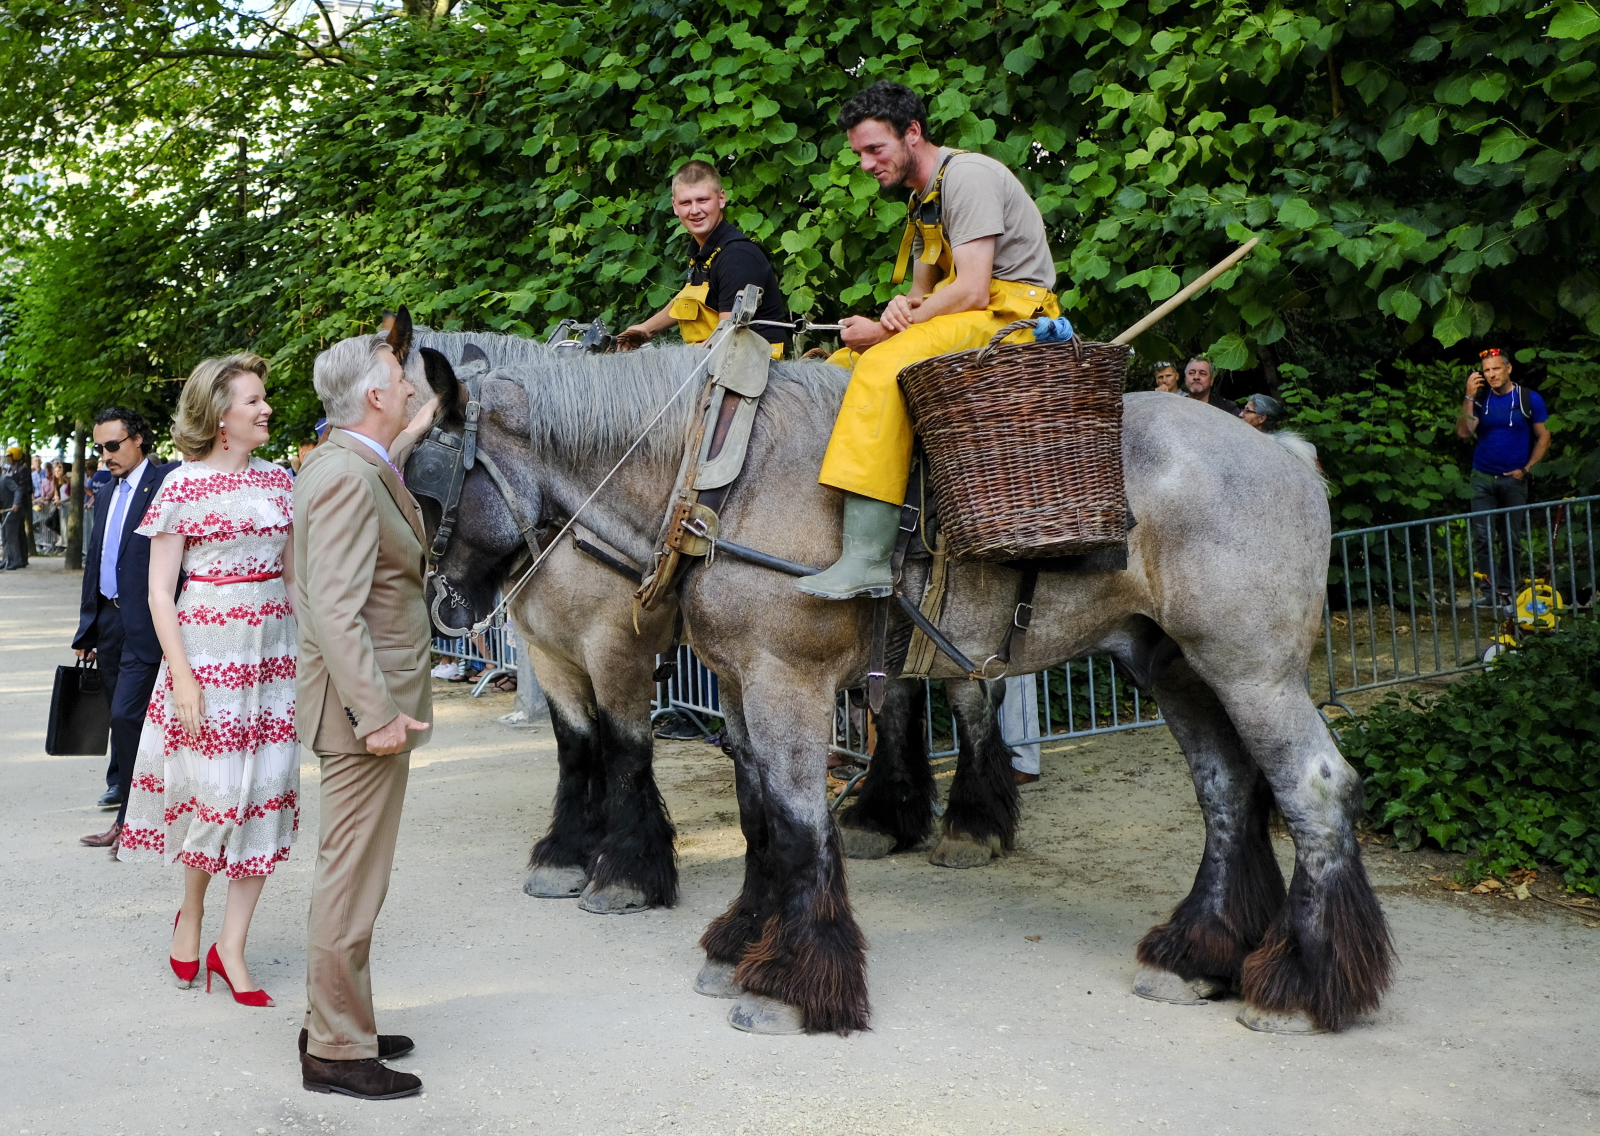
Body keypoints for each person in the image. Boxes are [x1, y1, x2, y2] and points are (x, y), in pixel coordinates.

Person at [801, 81, 1060, 599]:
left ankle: (869, 558)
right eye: (858, 154)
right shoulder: (925, 197)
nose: (866, 164)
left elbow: (971, 288)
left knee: (882, 368)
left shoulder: (967, 177)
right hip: (970, 312)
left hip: (1011, 318)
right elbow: (920, 298)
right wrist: (875, 331)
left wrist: (886, 334)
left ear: (912, 133)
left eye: (875, 149)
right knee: (841, 365)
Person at [117, 353, 300, 1008]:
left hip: (272, 665)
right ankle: (191, 914)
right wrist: (185, 680)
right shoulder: (182, 487)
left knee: (260, 805)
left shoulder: (282, 481)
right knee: (213, 803)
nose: (266, 409)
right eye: (254, 400)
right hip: (207, 663)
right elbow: (160, 593)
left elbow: (293, 578)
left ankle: (233, 945)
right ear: (223, 416)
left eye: (264, 398)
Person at [294, 331, 437, 1100]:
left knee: (354, 874)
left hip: (363, 702)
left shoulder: (348, 463)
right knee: (351, 879)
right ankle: (337, 1051)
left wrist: (412, 437)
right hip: (363, 710)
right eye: (400, 379)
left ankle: (340, 1018)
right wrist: (375, 712)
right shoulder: (346, 477)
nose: (411, 386)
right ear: (374, 396)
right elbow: (337, 611)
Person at [73, 409, 179, 828]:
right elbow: (96, 561)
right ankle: (125, 784)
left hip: (149, 619)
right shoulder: (105, 492)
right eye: (100, 448)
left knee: (128, 713)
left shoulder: (166, 483)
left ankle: (136, 808)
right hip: (110, 621)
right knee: (120, 709)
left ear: (138, 439)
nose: (105, 456)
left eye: (113, 446)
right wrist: (87, 627)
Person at [619, 161, 790, 358]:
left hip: (756, 374)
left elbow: (727, 339)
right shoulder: (702, 253)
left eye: (702, 200)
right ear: (675, 206)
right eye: (685, 203)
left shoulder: (737, 256)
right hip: (712, 364)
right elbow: (687, 298)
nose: (694, 210)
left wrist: (671, 358)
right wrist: (645, 329)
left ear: (721, 199)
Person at [1455, 347, 1550, 603]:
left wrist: (1526, 470)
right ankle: (1489, 593)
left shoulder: (1528, 398)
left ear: (1508, 369)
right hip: (1482, 477)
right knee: (1483, 537)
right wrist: (1469, 395)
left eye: (1496, 368)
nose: (1491, 374)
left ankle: (1507, 591)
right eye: (1486, 370)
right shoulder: (1481, 398)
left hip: (1514, 478)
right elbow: (1464, 433)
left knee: (1511, 538)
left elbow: (1544, 436)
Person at [1, 446, 27, 570]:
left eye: (9, 456)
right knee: (5, 535)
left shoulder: (7, 478)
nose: (8, 459)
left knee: (12, 535)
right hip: (5, 509)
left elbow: (19, 489)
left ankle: (16, 560)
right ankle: (6, 559)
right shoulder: (9, 471)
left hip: (13, 509)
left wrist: (16, 503)